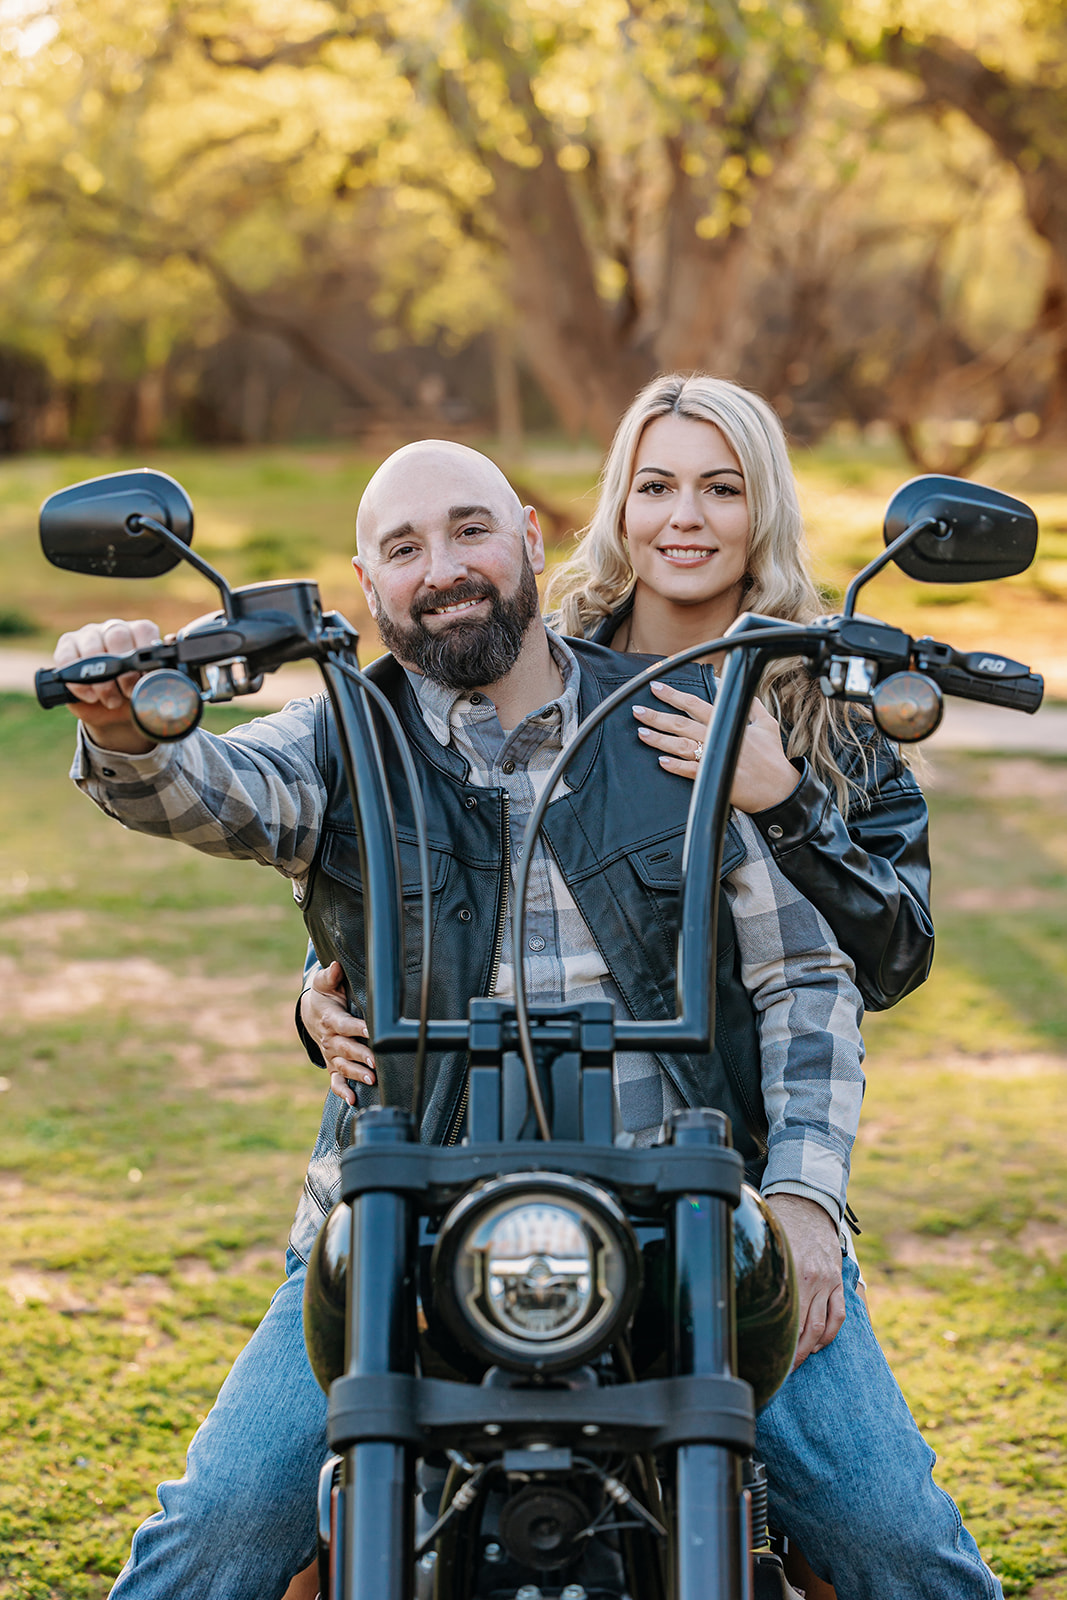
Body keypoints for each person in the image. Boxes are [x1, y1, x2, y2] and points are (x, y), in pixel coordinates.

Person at [55, 440, 1000, 1599]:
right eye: (403, 548)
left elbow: (804, 984)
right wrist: (118, 722)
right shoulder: (342, 739)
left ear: (530, 544)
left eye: (469, 529)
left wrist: (801, 1201)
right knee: (222, 1527)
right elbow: (207, 787)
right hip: (400, 1231)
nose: (442, 566)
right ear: (367, 587)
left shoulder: (674, 727)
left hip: (691, 1230)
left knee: (894, 1538)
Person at [301, 374, 932, 1149]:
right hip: (528, 1134)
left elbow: (895, 958)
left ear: (762, 508)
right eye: (656, 487)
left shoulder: (827, 703)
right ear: (622, 510)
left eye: (722, 489)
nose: (684, 518)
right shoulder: (533, 664)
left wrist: (785, 801)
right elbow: (415, 863)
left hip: (740, 1139)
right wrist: (317, 991)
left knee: (807, 1268)